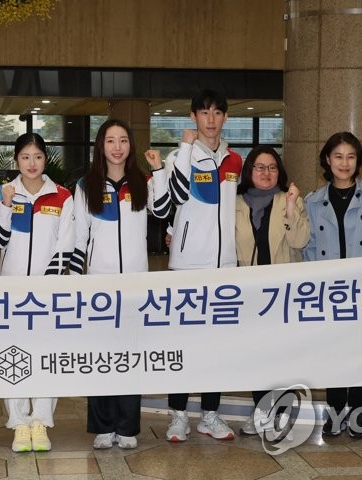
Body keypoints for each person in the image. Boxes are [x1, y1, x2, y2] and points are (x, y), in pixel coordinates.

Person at [69, 118, 171, 450]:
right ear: (101, 146)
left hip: (135, 286)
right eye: (110, 140)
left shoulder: (142, 181)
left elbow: (162, 210)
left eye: (123, 140)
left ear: (131, 146)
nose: (117, 147)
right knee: (101, 356)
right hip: (98, 285)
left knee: (129, 355)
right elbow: (78, 237)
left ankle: (127, 427)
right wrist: (75, 283)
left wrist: (158, 173)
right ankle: (102, 425)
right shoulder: (86, 185)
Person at [303, 131, 362, 438]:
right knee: (334, 353)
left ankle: (357, 414)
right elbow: (309, 249)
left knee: (360, 352)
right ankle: (334, 412)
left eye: (351, 157)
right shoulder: (313, 201)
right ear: (327, 160)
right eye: (338, 156)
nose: (344, 163)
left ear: (359, 161)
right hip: (329, 289)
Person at [164, 89, 243, 442]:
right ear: (194, 117)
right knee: (183, 342)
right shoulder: (179, 156)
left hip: (224, 265)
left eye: (217, 113)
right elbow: (173, 199)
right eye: (204, 113)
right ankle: (178, 416)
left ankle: (210, 414)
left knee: (218, 346)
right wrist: (173, 231)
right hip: (187, 265)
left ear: (224, 118)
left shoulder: (234, 161)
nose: (211, 119)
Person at [0, 132, 74, 452]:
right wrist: (7, 204)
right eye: (25, 157)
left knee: (47, 356)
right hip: (12, 290)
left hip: (48, 292)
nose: (32, 163)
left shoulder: (62, 196)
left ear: (45, 159)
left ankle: (40, 422)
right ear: (16, 160)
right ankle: (19, 424)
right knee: (13, 355)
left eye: (37, 156)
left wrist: (47, 286)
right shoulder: (4, 193)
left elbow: (65, 246)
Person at [233, 146, 310, 437]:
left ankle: (281, 414)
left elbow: (300, 241)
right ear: (249, 171)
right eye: (260, 167)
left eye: (272, 168)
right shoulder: (235, 202)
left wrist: (290, 208)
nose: (266, 173)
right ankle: (261, 412)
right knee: (257, 356)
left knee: (282, 356)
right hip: (249, 294)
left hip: (283, 292)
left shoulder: (290, 200)